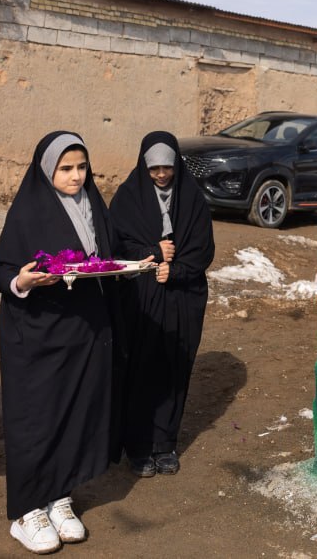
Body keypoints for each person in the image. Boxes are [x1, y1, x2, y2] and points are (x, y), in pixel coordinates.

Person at [0, 132, 124, 553]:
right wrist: (23, 281)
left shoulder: (93, 205)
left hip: (84, 332)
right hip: (37, 334)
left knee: (75, 414)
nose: (76, 176)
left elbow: (108, 255)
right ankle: (26, 509)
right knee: (37, 418)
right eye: (65, 168)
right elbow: (3, 271)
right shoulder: (28, 210)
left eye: (82, 167)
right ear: (47, 169)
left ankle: (60, 497)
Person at [111, 131, 215, 478]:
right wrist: (152, 254)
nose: (160, 174)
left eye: (167, 168)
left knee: (174, 366)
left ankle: (164, 442)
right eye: (154, 168)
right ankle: (138, 446)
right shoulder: (128, 198)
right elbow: (117, 244)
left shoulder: (193, 199)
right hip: (140, 299)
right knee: (140, 368)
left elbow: (203, 249)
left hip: (182, 299)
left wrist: (177, 269)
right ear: (144, 165)